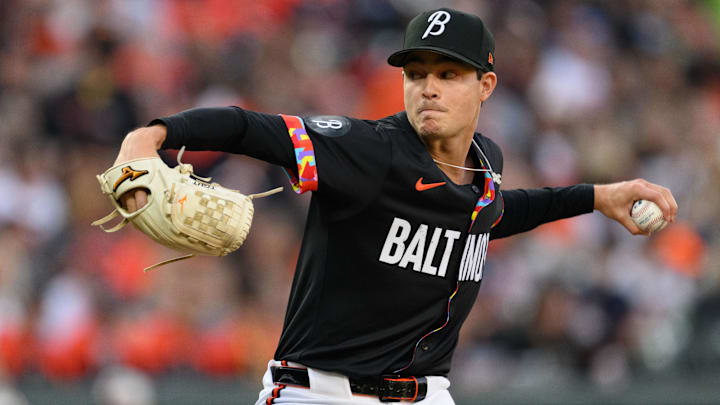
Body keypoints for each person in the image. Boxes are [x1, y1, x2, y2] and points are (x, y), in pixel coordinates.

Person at [110, 8, 677, 405]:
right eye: (416, 74)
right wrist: (153, 134)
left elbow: (490, 213)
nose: (428, 87)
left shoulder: (487, 160)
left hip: (428, 395)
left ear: (486, 85)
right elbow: (250, 127)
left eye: (448, 74)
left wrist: (596, 197)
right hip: (321, 393)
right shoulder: (370, 150)